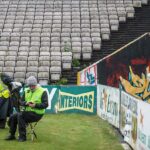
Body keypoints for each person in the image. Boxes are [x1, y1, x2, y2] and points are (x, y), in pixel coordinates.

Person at [5, 76, 48, 142]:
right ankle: (12, 135)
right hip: (27, 112)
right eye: (29, 86)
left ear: (35, 84)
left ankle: (22, 137)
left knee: (20, 115)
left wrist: (35, 105)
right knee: (13, 116)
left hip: (37, 114)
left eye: (32, 86)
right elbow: (21, 101)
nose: (30, 87)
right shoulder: (26, 90)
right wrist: (26, 103)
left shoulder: (43, 91)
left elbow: (45, 104)